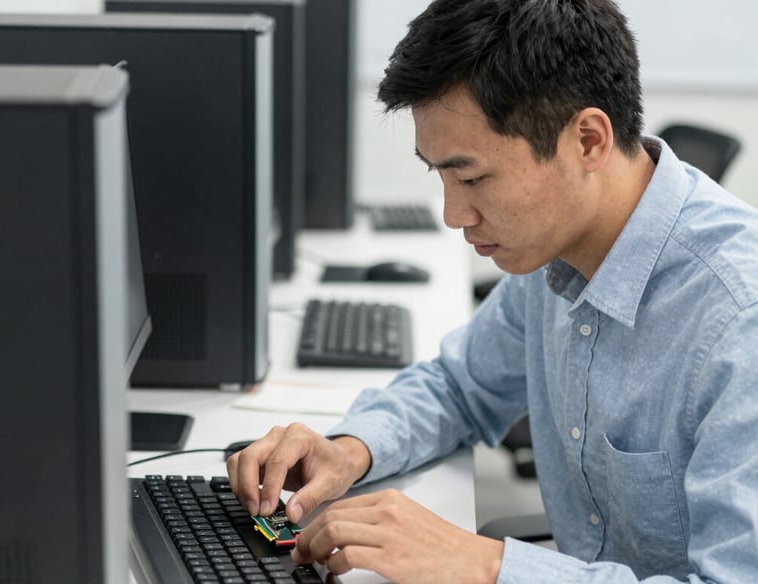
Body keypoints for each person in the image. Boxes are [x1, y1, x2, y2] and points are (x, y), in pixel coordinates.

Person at [228, 0, 758, 582]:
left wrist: (486, 564)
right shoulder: (555, 250)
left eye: (474, 178)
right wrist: (353, 448)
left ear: (587, 140)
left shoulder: (739, 320)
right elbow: (462, 387)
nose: (455, 215)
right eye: (442, 177)